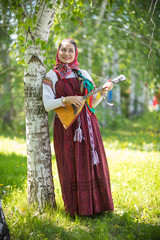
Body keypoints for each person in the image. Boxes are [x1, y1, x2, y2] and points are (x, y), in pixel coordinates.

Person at [42, 38, 114, 216]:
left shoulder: (83, 73)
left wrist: (103, 92)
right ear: (58, 52)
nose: (66, 54)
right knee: (71, 164)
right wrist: (66, 99)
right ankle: (77, 209)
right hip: (68, 128)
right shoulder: (51, 75)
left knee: (92, 162)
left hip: (89, 126)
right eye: (63, 50)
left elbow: (92, 103)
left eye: (70, 51)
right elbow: (47, 104)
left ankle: (98, 207)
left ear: (76, 54)